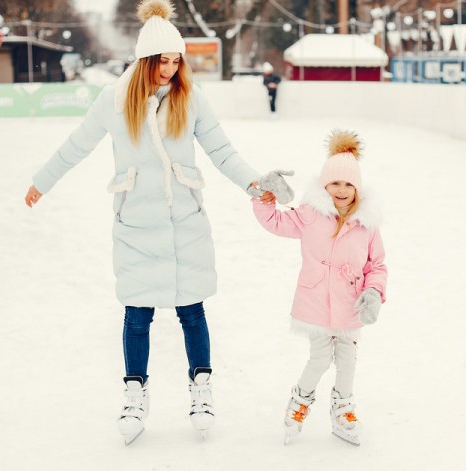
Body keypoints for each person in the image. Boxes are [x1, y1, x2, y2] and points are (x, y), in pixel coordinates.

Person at [22, 0, 292, 446]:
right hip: (136, 223)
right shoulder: (113, 100)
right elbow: (76, 146)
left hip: (185, 219)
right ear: (144, 59)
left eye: (175, 60)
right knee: (136, 313)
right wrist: (41, 182)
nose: (169, 69)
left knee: (192, 309)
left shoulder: (191, 97)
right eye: (162, 61)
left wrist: (253, 183)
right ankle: (134, 393)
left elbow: (222, 151)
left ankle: (201, 389)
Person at [251, 129, 388, 446]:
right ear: (325, 186)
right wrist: (265, 196)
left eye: (349, 184)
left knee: (348, 358)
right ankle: (300, 400)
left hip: (351, 304)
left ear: (358, 188)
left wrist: (373, 292)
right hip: (314, 302)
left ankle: (343, 407)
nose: (342, 190)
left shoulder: (367, 223)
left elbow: (376, 265)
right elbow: (275, 221)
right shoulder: (311, 214)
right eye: (335, 183)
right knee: (320, 358)